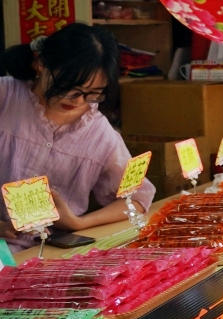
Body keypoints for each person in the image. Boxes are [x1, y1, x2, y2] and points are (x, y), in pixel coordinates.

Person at [0, 24, 156, 251]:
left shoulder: (99, 133)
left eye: (92, 93)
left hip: (44, 253)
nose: (78, 101)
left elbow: (139, 199)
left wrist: (77, 222)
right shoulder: (5, 98)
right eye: (68, 87)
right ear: (41, 63)